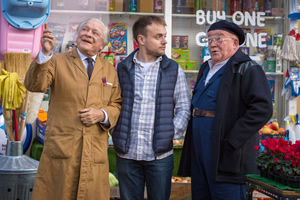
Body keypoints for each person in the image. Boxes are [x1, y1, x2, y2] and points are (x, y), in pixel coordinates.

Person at [24, 18, 122, 200]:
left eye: (95, 33)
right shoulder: (57, 61)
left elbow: (116, 104)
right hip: (62, 151)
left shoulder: (110, 70)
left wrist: (102, 114)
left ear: (102, 44)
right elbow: (34, 84)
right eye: (85, 29)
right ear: (77, 35)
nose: (88, 34)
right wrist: (45, 53)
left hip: (94, 153)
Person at [178, 20, 273, 200]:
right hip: (200, 147)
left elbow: (263, 108)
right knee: (201, 193)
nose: (213, 44)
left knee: (225, 193)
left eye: (219, 39)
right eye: (209, 39)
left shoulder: (248, 68)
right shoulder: (206, 67)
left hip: (226, 149)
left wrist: (232, 140)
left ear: (235, 43)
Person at [112, 16, 191, 200]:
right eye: (158, 36)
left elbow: (183, 108)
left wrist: (169, 133)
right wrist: (116, 130)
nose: (164, 41)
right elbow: (113, 103)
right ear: (141, 39)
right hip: (127, 154)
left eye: (164, 35)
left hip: (160, 156)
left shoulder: (173, 69)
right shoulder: (122, 68)